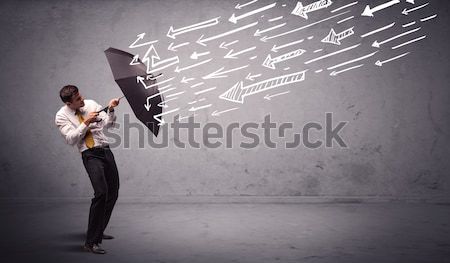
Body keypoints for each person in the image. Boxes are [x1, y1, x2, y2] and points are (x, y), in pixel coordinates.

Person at [55, 85, 120, 254]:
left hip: (105, 150)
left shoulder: (91, 104)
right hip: (90, 154)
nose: (82, 99)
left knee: (113, 191)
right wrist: (86, 123)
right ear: (69, 103)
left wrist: (111, 109)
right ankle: (90, 243)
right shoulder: (61, 116)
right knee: (101, 193)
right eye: (77, 99)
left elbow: (110, 124)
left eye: (80, 95)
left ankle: (99, 230)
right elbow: (70, 139)